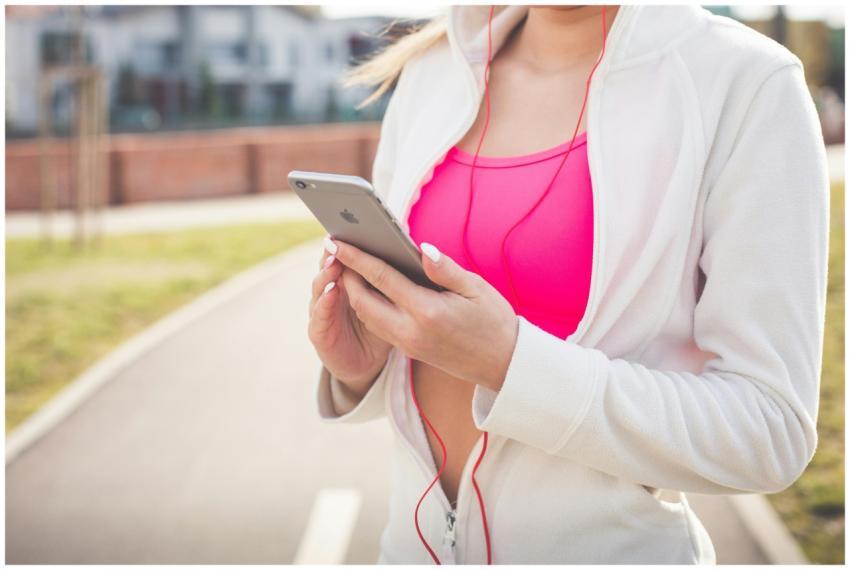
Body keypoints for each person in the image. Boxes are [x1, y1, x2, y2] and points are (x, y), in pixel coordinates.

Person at [307, 4, 828, 564]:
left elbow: (768, 432)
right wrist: (361, 369)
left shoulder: (746, 82)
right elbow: (427, 355)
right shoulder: (433, 69)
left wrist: (511, 364)